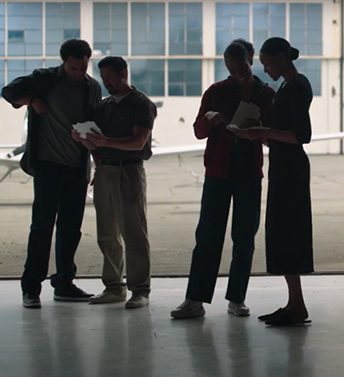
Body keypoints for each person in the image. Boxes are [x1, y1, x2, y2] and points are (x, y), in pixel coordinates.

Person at [171, 40, 275, 319]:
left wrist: (259, 130)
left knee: (244, 238)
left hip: (249, 174)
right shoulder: (216, 92)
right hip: (218, 172)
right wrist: (209, 118)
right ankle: (195, 299)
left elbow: (271, 137)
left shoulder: (267, 94)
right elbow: (198, 131)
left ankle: (237, 298)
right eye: (231, 69)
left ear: (251, 60)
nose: (237, 74)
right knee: (207, 236)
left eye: (241, 68)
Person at [1, 39, 101, 308]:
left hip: (76, 168)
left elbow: (94, 126)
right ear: (63, 63)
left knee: (71, 230)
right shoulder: (45, 79)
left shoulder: (92, 87)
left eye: (82, 68)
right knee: (42, 228)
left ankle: (64, 284)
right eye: (73, 68)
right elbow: (8, 91)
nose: (78, 74)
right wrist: (33, 100)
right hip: (47, 166)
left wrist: (97, 163)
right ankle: (31, 288)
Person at [234, 37, 313, 326]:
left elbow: (301, 135)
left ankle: (297, 305)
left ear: (282, 57)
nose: (264, 69)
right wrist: (260, 132)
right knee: (283, 232)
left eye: (267, 63)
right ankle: (295, 303)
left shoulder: (298, 86)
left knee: (288, 232)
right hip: (283, 164)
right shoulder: (287, 86)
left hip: (291, 168)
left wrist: (262, 131)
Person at [71, 56, 157, 309]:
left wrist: (104, 141)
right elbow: (94, 143)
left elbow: (138, 142)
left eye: (110, 76)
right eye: (103, 77)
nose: (106, 82)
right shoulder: (103, 106)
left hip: (128, 171)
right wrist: (81, 138)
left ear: (123, 73)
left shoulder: (141, 104)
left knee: (134, 233)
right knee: (106, 233)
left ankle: (140, 289)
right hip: (105, 171)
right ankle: (114, 287)